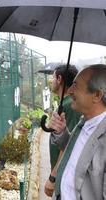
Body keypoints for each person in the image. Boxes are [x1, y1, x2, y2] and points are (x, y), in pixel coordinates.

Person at [49, 64, 106, 200]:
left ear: (97, 95)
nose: (70, 91)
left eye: (76, 86)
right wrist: (61, 132)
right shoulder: (84, 121)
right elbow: (74, 151)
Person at [44, 65, 81, 197]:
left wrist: (53, 176)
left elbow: (69, 145)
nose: (51, 81)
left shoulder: (70, 105)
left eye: (53, 77)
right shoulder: (64, 104)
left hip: (62, 173)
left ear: (59, 79)